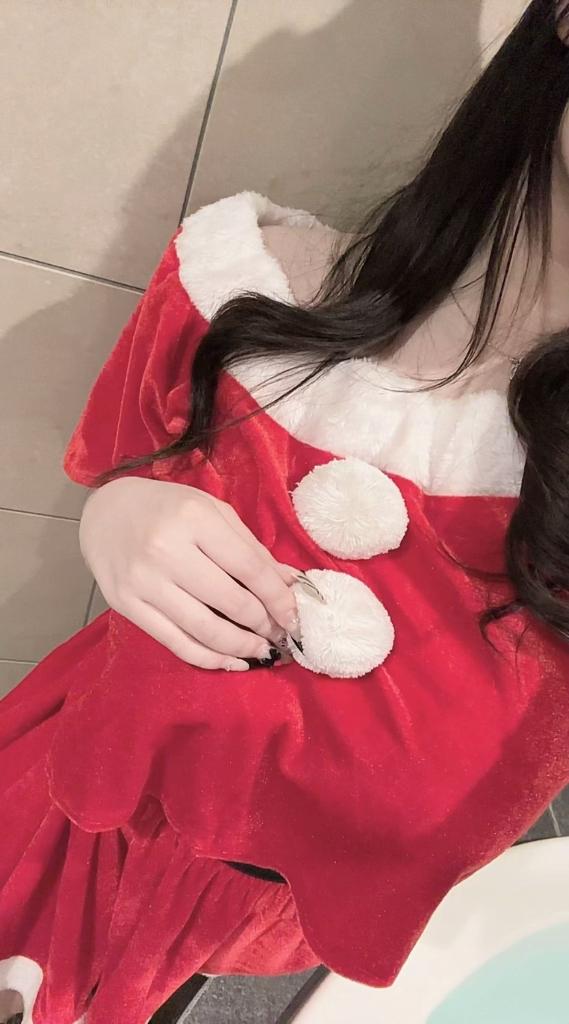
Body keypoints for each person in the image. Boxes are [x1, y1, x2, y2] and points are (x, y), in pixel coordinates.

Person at [3, 1, 569, 1021]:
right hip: (52, 813)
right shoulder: (248, 285)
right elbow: (114, 460)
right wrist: (115, 514)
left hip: (254, 929)